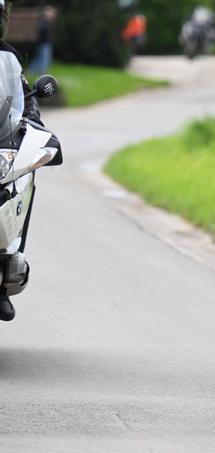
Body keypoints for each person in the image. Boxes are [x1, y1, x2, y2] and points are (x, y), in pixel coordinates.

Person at [0, 0, 42, 321]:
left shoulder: (9, 57)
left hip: (0, 143)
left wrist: (34, 123)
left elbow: (25, 98)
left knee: (28, 176)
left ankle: (9, 257)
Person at [28, 5, 56, 75]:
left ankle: (33, 71)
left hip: (46, 43)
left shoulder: (47, 22)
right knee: (43, 58)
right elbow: (41, 32)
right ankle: (42, 72)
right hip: (43, 43)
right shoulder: (43, 22)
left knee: (41, 58)